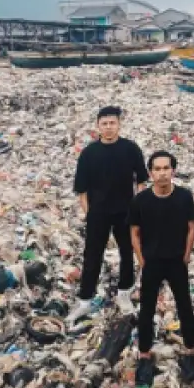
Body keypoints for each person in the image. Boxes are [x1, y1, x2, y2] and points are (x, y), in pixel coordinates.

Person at [69, 106, 148, 322]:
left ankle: (125, 293)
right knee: (92, 255)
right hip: (98, 213)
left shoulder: (131, 149)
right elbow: (81, 189)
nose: (109, 127)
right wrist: (89, 213)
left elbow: (141, 179)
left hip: (125, 211)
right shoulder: (89, 153)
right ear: (98, 126)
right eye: (104, 123)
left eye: (112, 123)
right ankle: (85, 300)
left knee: (126, 252)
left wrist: (138, 206)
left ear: (119, 124)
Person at [129, 151, 194, 387]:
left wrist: (186, 255)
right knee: (146, 310)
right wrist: (141, 260)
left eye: (166, 168)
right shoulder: (141, 200)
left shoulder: (184, 197)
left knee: (185, 307)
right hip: (152, 262)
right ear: (150, 173)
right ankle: (145, 355)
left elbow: (192, 227)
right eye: (157, 169)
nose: (161, 173)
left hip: (177, 261)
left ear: (173, 171)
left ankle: (190, 352)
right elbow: (134, 233)